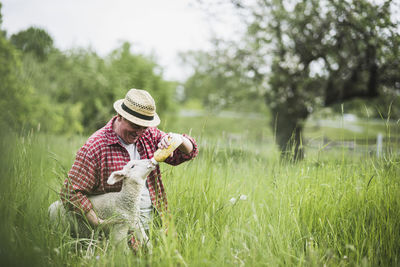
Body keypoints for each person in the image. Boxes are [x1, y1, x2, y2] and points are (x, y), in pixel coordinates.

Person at [60, 88, 198, 246]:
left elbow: (189, 153)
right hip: (119, 235)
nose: (139, 132)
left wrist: (177, 139)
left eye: (144, 126)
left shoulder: (150, 135)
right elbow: (70, 192)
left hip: (156, 226)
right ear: (120, 116)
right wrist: (98, 222)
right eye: (135, 125)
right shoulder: (95, 147)